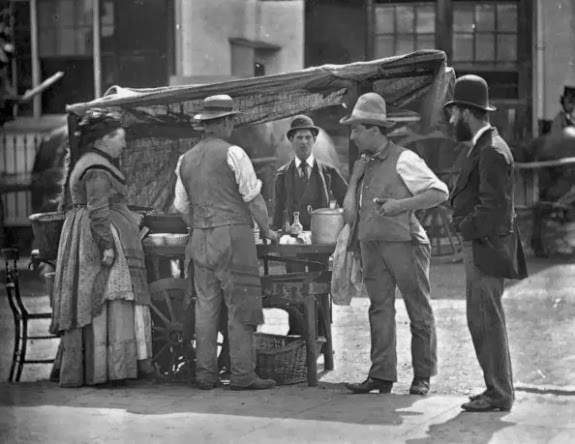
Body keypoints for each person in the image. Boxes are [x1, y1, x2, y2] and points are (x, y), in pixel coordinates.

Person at [341, 92, 449, 396]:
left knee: (418, 309)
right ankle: (381, 375)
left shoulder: (405, 158)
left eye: (356, 129)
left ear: (374, 130)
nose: (352, 136)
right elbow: (350, 215)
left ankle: (422, 376)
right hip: (372, 244)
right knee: (379, 309)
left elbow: (440, 192)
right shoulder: (362, 165)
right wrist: (354, 179)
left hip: (405, 243)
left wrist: (401, 205)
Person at [174, 94, 278, 391]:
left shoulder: (185, 159)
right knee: (240, 305)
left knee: (205, 308)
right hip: (232, 238)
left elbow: (181, 207)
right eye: (231, 119)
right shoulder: (234, 153)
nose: (233, 124)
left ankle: (206, 375)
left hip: (199, 239)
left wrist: (201, 224)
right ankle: (243, 375)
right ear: (220, 123)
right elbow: (253, 199)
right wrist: (268, 231)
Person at [50, 109, 153, 388]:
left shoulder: (91, 161)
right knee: (106, 297)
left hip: (89, 234)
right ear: (105, 139)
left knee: (99, 298)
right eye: (120, 138)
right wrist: (106, 246)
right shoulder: (96, 166)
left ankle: (101, 369)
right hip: (96, 238)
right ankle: (107, 371)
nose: (124, 144)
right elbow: (98, 208)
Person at [445, 74, 528, 412]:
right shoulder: (487, 146)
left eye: (454, 113)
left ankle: (499, 392)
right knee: (482, 318)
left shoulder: (491, 150)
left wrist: (462, 226)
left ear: (467, 112)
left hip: (484, 247)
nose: (451, 120)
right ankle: (497, 388)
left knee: (485, 320)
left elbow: (492, 209)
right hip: (484, 245)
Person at [273, 115, 347, 231]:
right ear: (291, 139)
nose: (304, 142)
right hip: (293, 236)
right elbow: (278, 212)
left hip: (322, 234)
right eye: (299, 138)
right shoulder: (282, 174)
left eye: (308, 137)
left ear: (314, 139)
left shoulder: (329, 172)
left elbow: (346, 202)